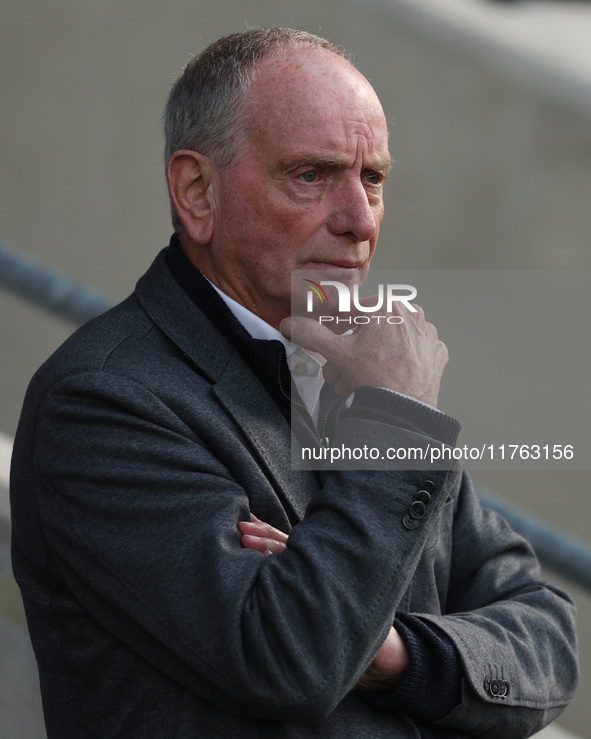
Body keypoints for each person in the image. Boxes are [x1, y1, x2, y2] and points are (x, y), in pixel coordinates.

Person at [10, 27, 577, 738]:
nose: (358, 220)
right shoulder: (100, 401)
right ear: (196, 192)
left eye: (372, 179)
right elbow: (292, 658)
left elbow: (547, 639)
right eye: (311, 175)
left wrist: (396, 652)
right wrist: (398, 417)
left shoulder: (352, 372)